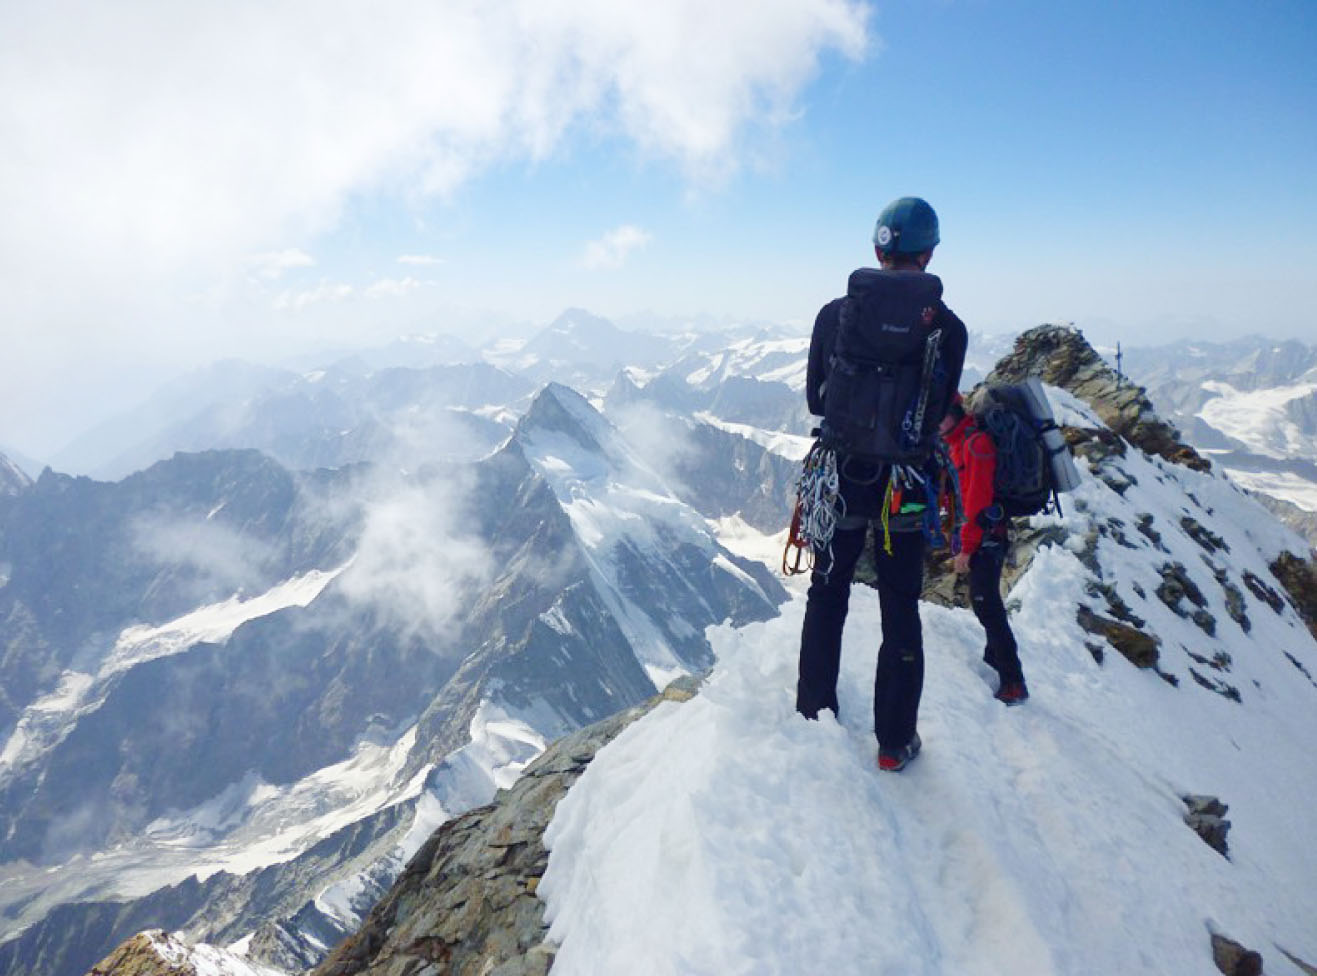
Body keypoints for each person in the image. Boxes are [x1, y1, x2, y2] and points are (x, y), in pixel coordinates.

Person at [796, 197, 967, 772]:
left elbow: (818, 397)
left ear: (878, 249)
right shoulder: (948, 329)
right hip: (908, 482)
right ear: (930, 253)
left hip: (842, 474)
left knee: (828, 591)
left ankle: (813, 712)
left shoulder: (833, 315)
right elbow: (942, 409)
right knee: (900, 603)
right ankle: (894, 742)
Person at [940, 394, 1029, 704]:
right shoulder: (958, 442)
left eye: (941, 416)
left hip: (989, 536)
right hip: (989, 534)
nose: (936, 423)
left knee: (986, 604)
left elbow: (978, 503)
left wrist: (966, 549)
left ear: (954, 413)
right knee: (985, 602)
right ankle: (994, 660)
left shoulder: (975, 445)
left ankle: (1013, 681)